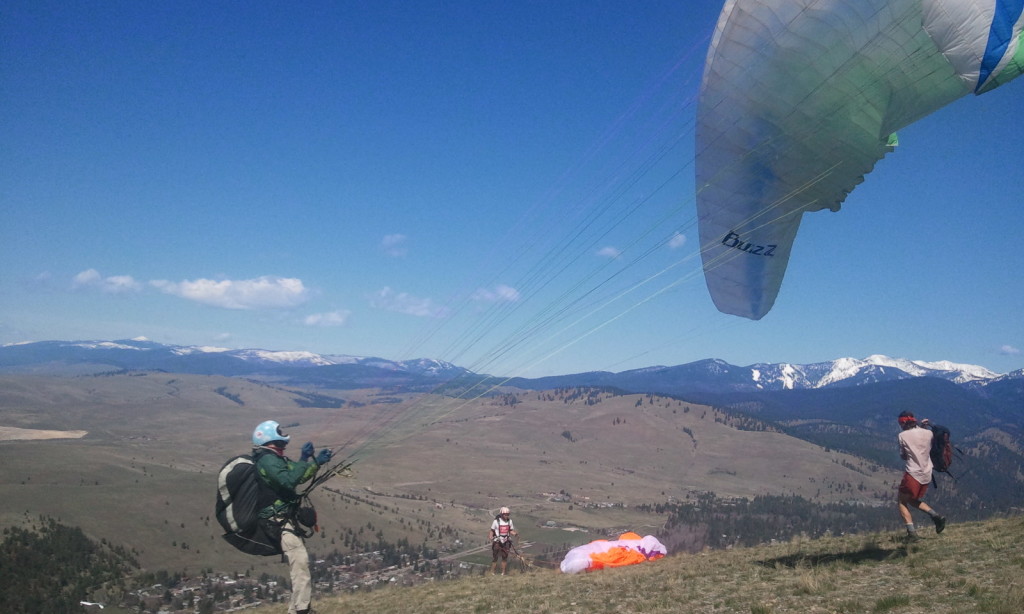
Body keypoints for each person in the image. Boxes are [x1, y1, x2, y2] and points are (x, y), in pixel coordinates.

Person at [251, 420, 333, 614]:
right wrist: (304, 458)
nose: (283, 447)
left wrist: (316, 463)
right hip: (276, 520)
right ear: (270, 443)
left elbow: (299, 475)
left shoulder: (275, 459)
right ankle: (302, 610)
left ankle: (295, 610)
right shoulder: (267, 460)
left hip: (283, 518)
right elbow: (289, 481)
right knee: (300, 561)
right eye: (280, 444)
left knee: (299, 563)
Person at [896, 411, 946, 541]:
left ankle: (912, 534)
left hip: (913, 473)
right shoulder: (929, 433)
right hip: (927, 473)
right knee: (912, 500)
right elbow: (923, 443)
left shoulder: (902, 435)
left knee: (902, 501)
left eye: (900, 423)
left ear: (903, 423)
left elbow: (903, 456)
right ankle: (936, 516)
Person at [488, 506, 518, 575]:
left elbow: (510, 530)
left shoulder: (510, 521)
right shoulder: (496, 522)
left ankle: (503, 573)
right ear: (501, 514)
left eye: (508, 514)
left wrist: (515, 534)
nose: (506, 516)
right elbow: (492, 530)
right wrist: (491, 537)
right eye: (505, 514)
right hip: (497, 541)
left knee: (504, 557)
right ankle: (492, 572)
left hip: (506, 541)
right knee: (495, 557)